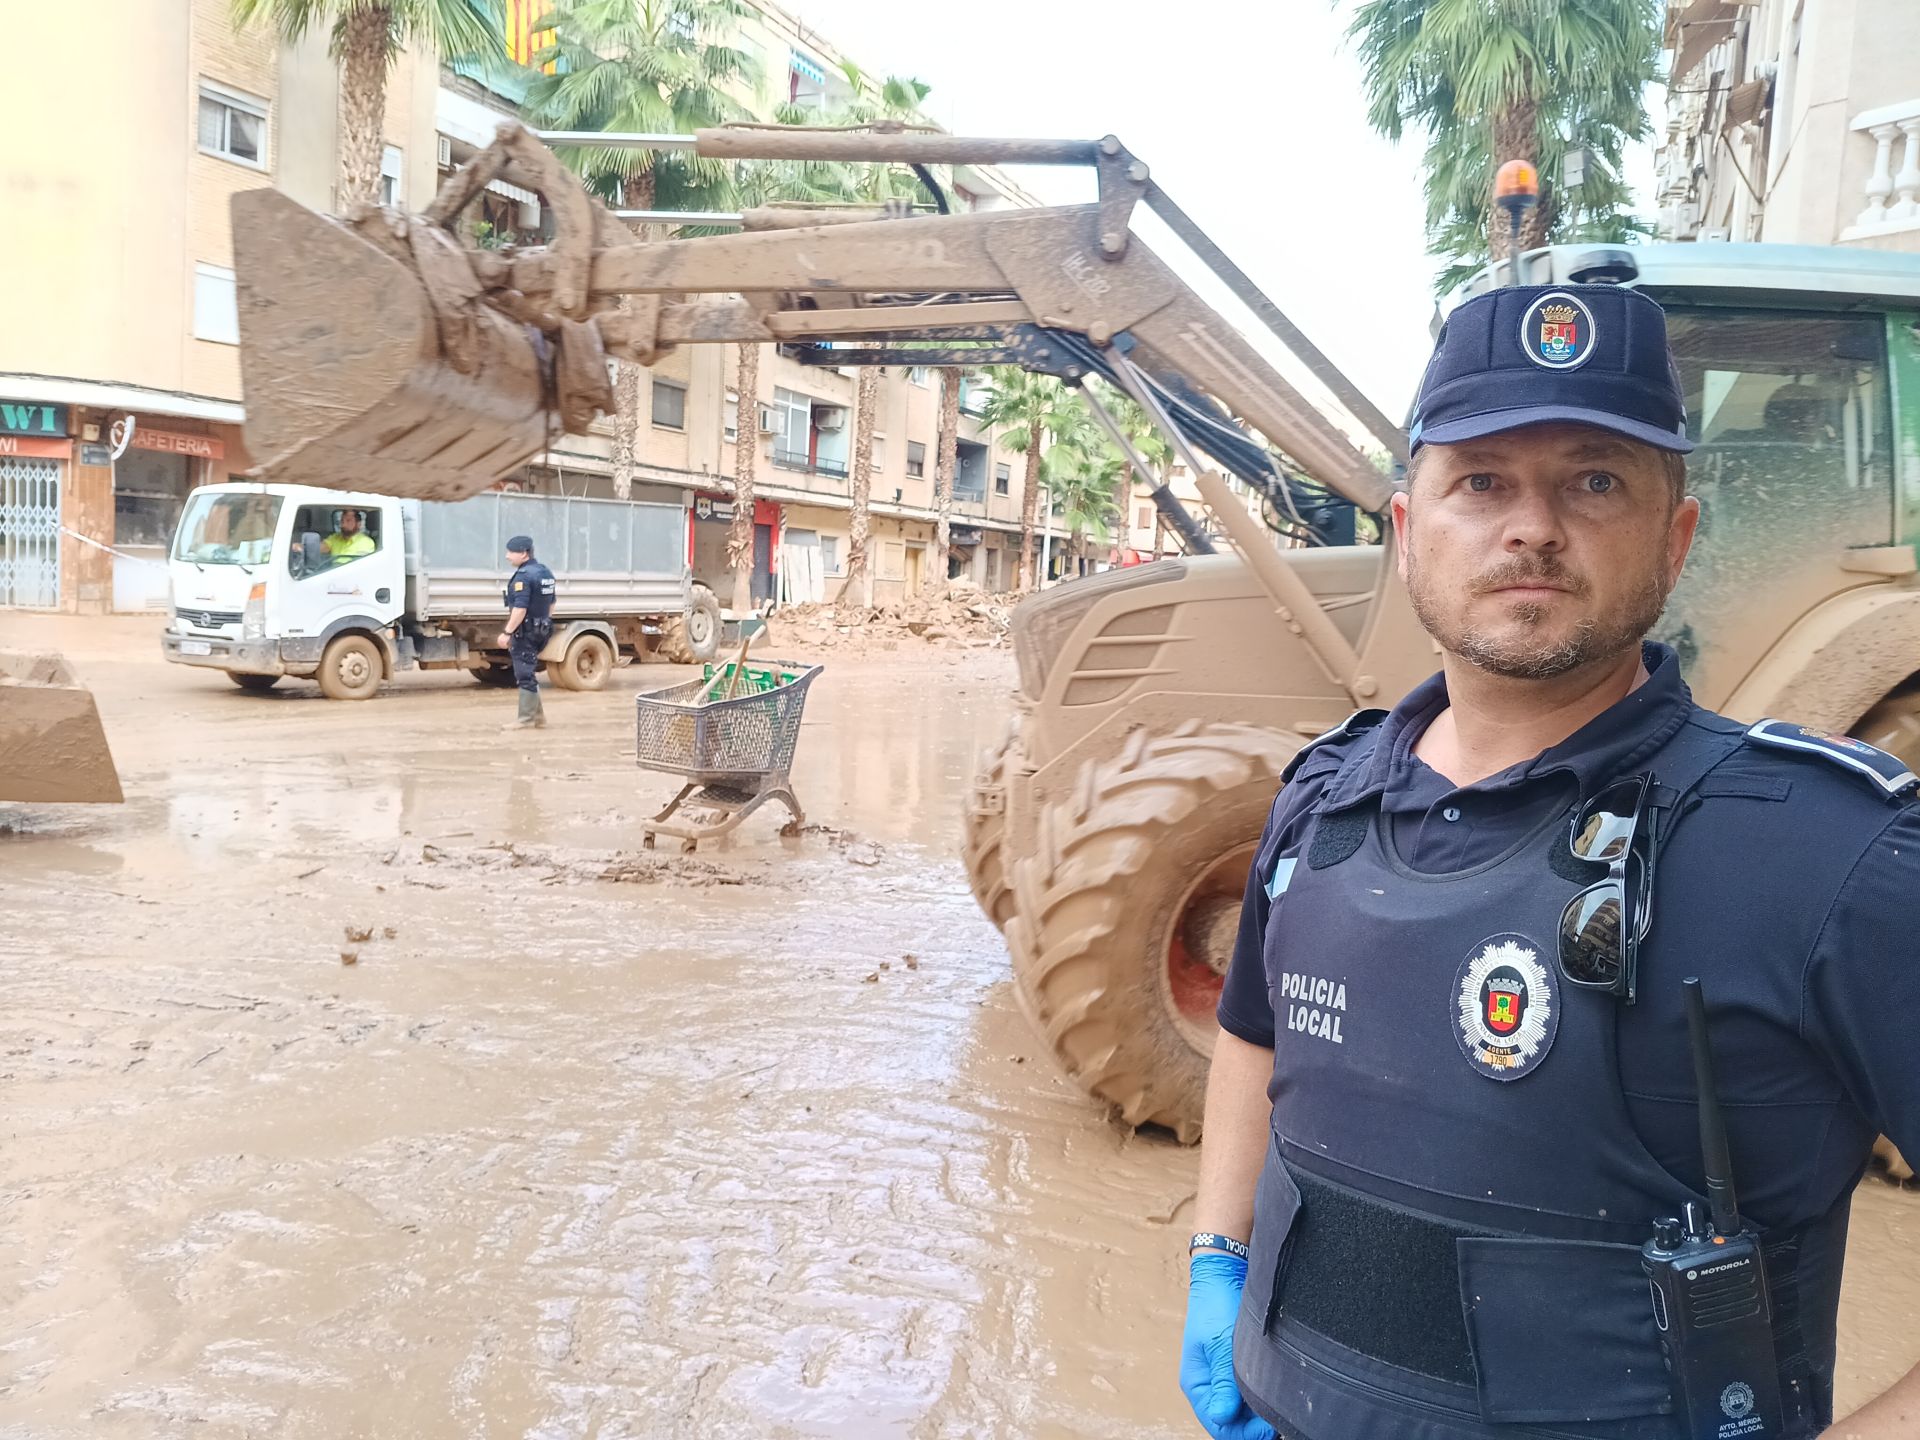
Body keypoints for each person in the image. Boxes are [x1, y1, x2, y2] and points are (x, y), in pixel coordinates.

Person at [1181, 283, 1920, 1440]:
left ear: (1674, 538)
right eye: (1482, 481)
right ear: (1407, 529)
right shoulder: (1322, 803)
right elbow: (1251, 1028)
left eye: (1594, 481)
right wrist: (1218, 1260)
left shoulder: (1831, 856)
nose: (1533, 526)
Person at [499, 534, 555, 730]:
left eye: (510, 552)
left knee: (524, 673)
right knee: (528, 671)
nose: (507, 556)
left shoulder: (524, 576)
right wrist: (544, 622)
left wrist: (507, 632)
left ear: (523, 553)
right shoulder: (545, 572)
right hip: (541, 629)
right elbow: (552, 604)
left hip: (526, 631)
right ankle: (538, 717)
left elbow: (520, 609)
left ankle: (526, 719)